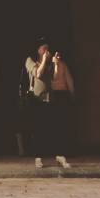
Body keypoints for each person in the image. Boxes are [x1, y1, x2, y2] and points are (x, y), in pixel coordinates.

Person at [25, 38, 75, 168]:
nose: (46, 50)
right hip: (37, 99)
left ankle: (59, 155)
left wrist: (56, 64)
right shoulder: (30, 61)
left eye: (47, 47)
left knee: (56, 128)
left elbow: (55, 77)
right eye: (43, 48)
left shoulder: (49, 63)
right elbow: (38, 74)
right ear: (37, 50)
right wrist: (45, 61)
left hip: (51, 99)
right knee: (38, 129)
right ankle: (38, 157)